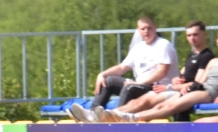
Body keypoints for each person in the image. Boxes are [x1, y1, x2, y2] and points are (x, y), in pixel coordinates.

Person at [71, 20, 213, 123]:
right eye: (189, 35)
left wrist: (171, 85)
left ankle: (112, 120)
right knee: (114, 83)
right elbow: (122, 67)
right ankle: (98, 114)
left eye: (195, 35)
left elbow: (196, 84)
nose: (192, 39)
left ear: (204, 35)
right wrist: (102, 74)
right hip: (173, 89)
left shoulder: (206, 56)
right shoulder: (191, 55)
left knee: (141, 95)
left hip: (176, 91)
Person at [98, 41, 218, 122]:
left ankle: (131, 118)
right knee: (161, 105)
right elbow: (200, 82)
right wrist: (189, 87)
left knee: (171, 106)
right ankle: (107, 115)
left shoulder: (207, 57)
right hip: (200, 89)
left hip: (210, 92)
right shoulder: (213, 62)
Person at [88, 16, 179, 110]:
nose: (146, 31)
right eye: (143, 29)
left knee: (130, 87)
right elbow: (122, 68)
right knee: (108, 81)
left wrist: (138, 83)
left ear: (155, 28)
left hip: (156, 88)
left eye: (149, 28)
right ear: (138, 30)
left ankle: (117, 117)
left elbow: (161, 72)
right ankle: (93, 113)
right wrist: (102, 74)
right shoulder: (138, 47)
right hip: (139, 86)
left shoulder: (163, 45)